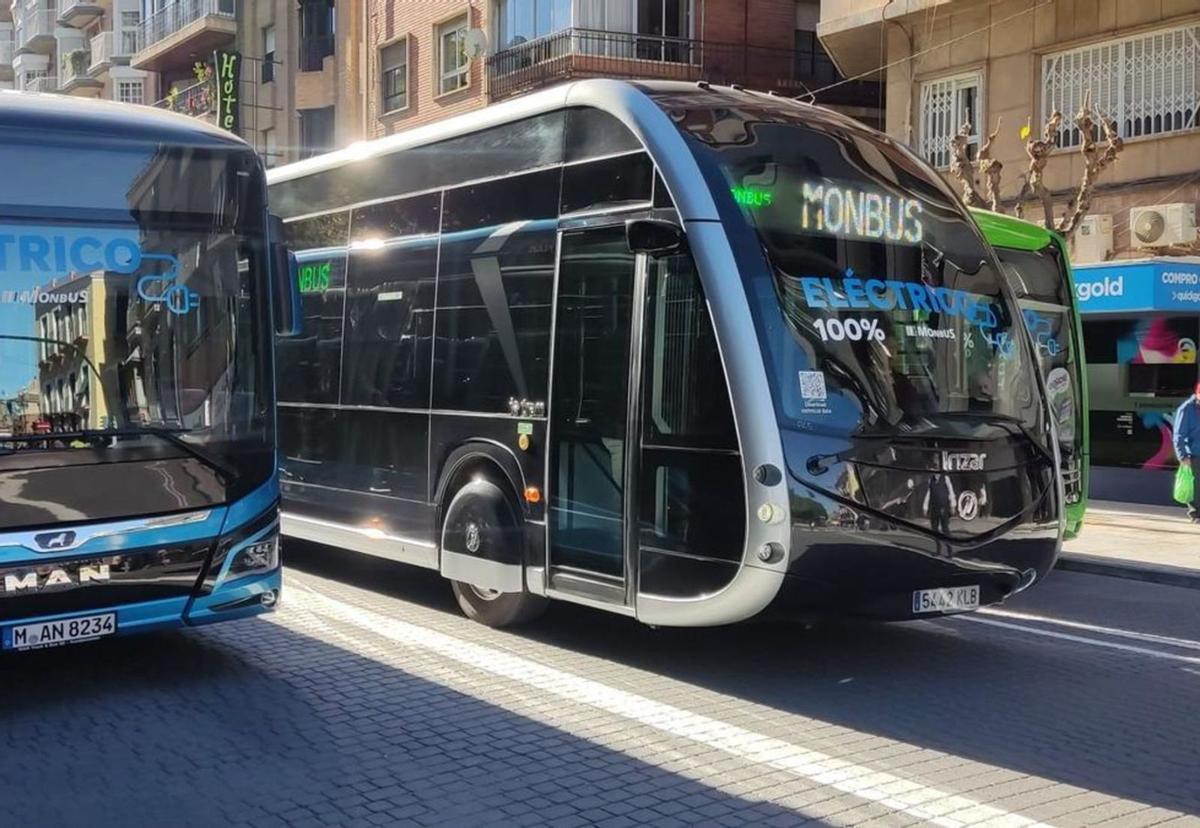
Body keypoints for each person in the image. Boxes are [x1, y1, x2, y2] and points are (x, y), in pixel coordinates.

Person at [1171, 382, 1200, 521]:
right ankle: (1196, 513)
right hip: (1194, 454)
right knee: (1195, 486)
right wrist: (1183, 456)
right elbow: (1179, 435)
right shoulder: (1186, 409)